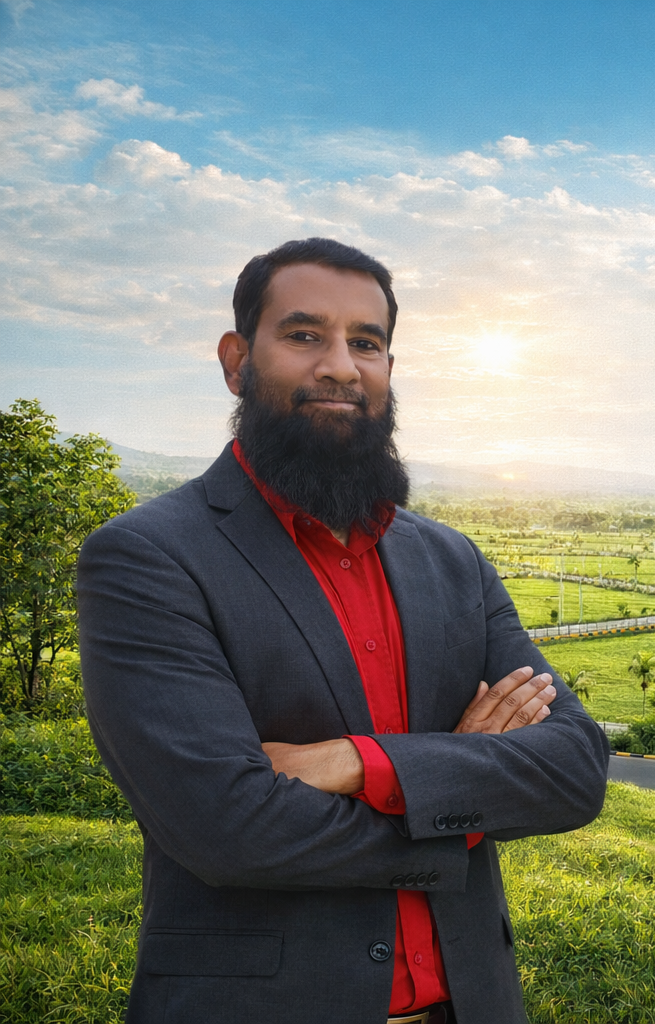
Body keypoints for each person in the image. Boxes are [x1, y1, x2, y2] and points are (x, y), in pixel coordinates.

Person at [77, 238, 610, 1024]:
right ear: (236, 361)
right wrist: (464, 788)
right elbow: (227, 828)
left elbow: (572, 771)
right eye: (304, 336)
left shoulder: (451, 560)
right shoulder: (149, 556)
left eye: (367, 343)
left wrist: (352, 763)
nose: (341, 366)